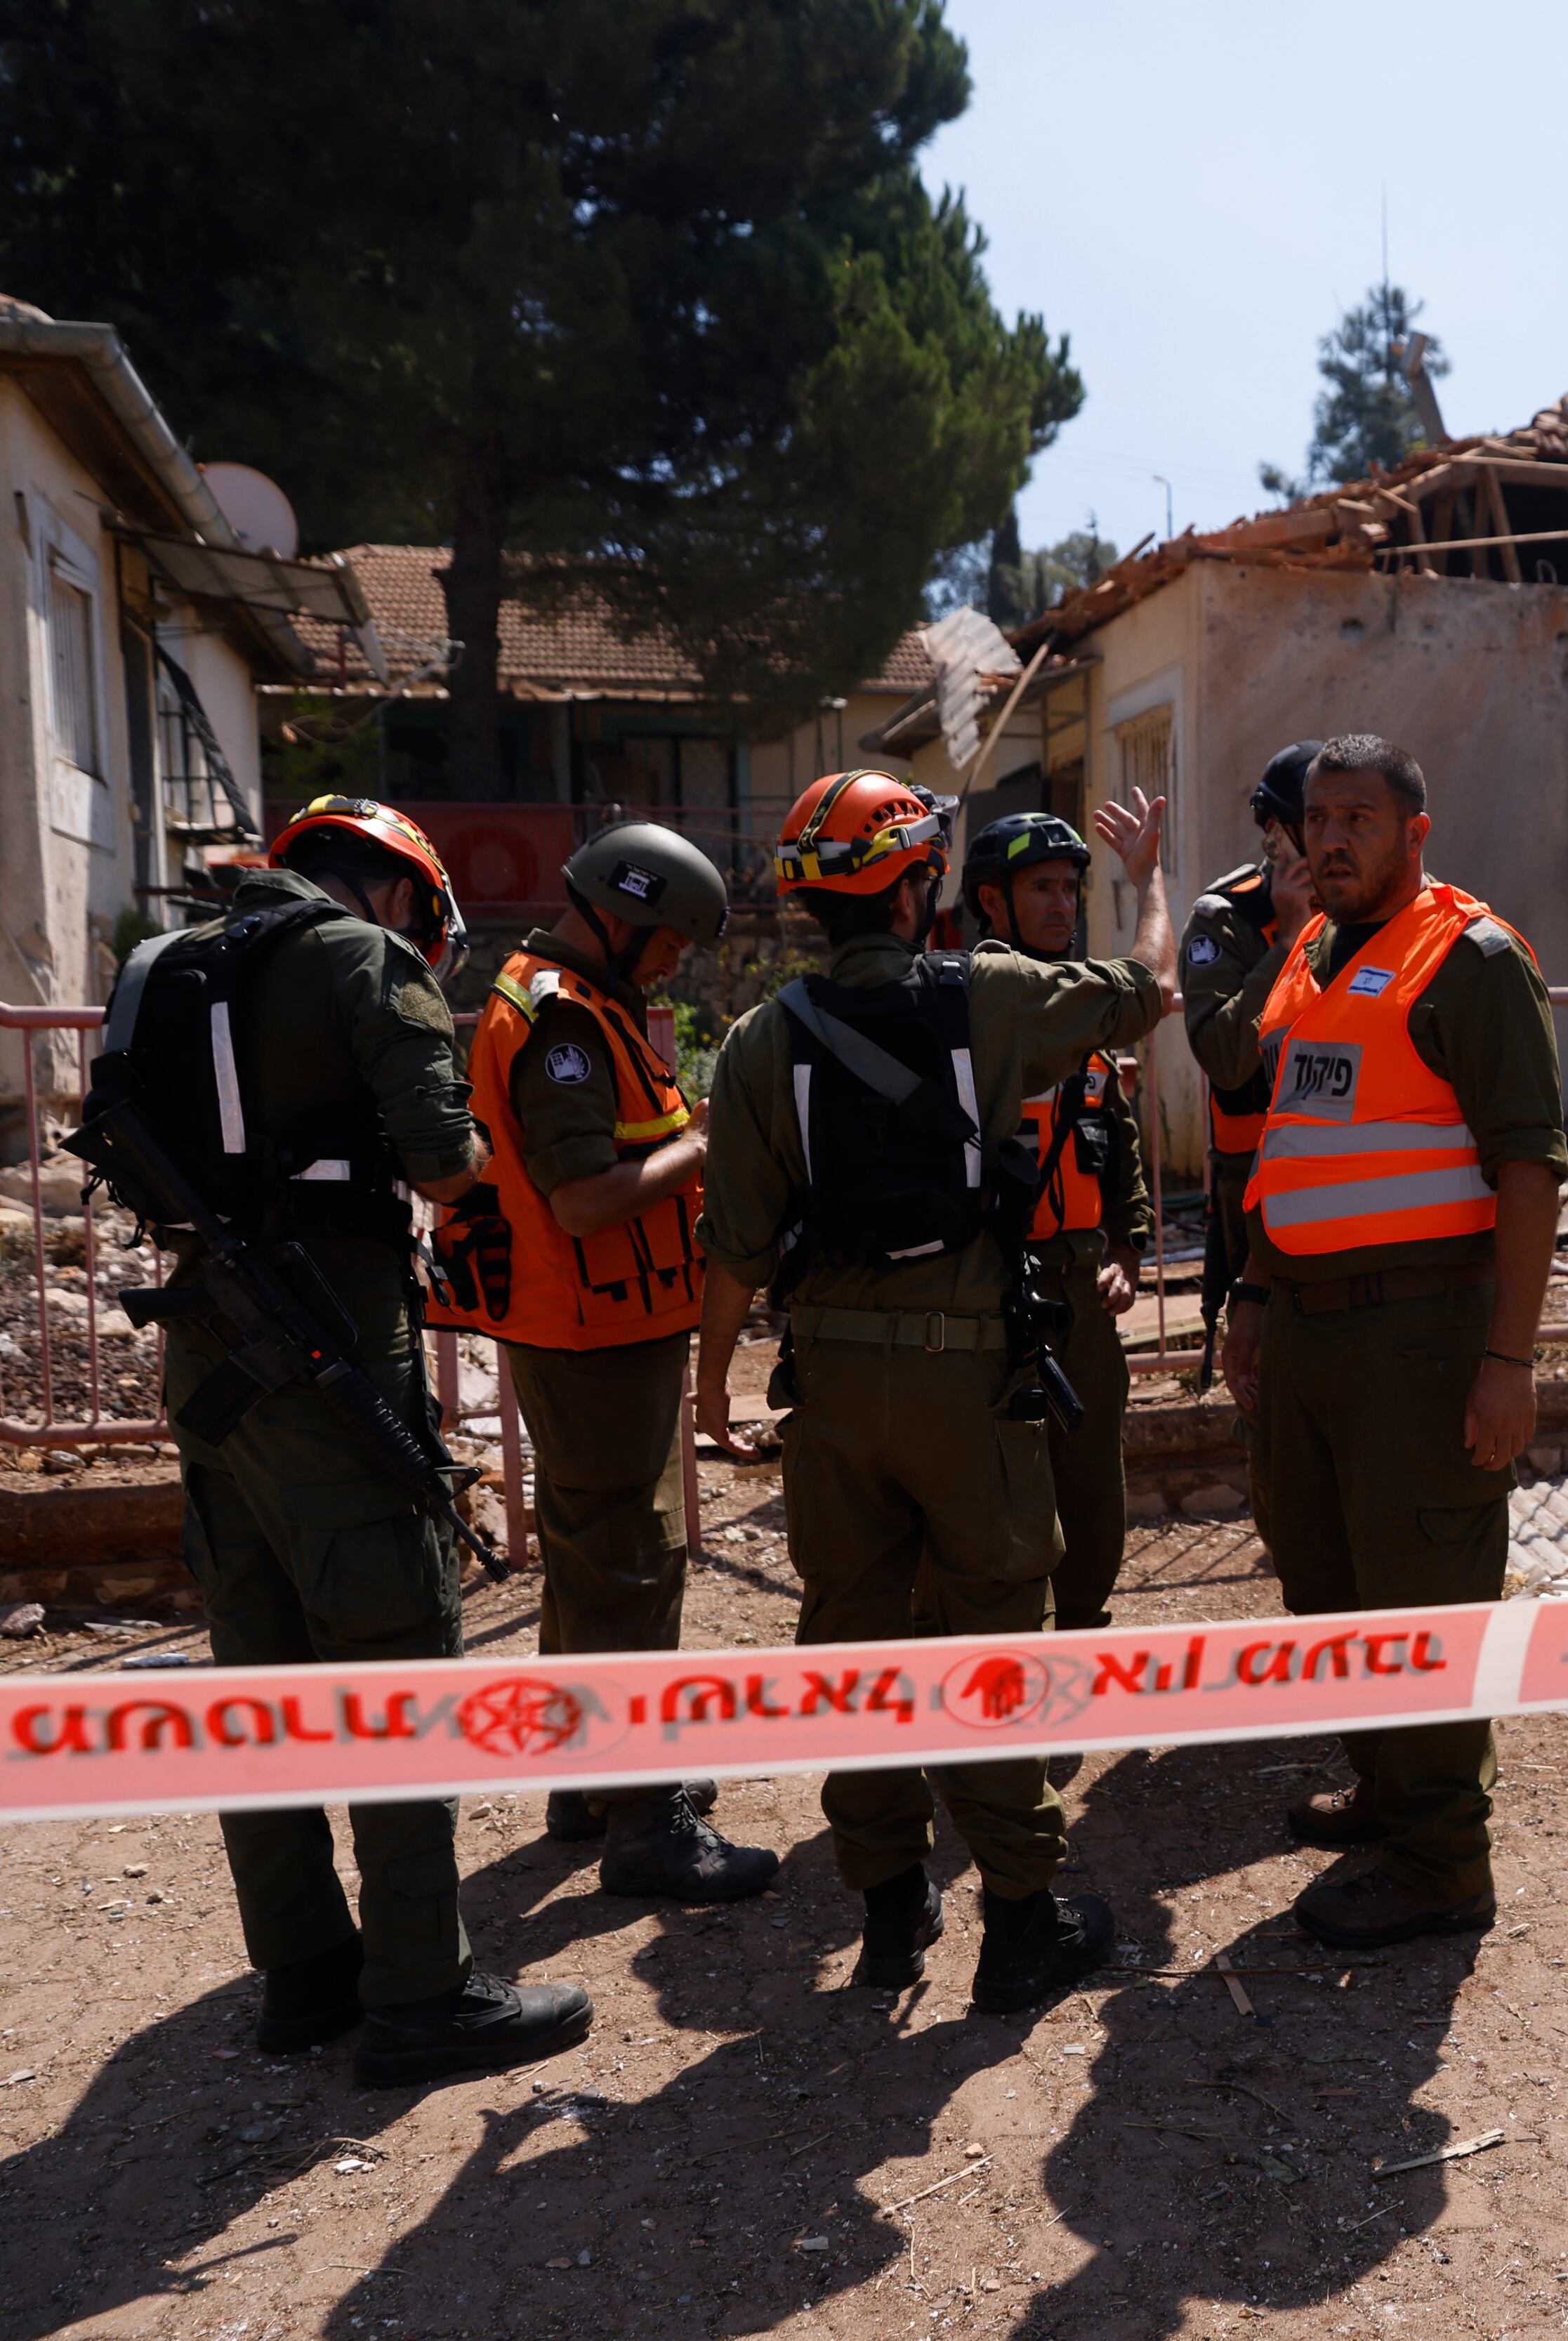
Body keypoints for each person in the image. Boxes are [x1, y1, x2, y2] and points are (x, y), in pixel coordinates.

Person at [691, 771, 1179, 2014]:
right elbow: (1150, 989)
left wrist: (708, 1398)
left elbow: (738, 1252)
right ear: (919, 887)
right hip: (968, 1377)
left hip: (833, 1389)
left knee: (849, 1642)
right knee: (995, 1632)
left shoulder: (759, 1041)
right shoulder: (992, 997)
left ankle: (888, 1909)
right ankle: (1020, 1919)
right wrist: (1154, 883)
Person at [136, 797, 595, 2085]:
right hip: (334, 1348)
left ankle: (303, 1972)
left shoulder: (170, 966)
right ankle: (422, 1988)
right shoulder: (359, 957)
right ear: (396, 890)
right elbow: (444, 1161)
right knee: (398, 1669)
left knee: (260, 1679)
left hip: (206, 1353)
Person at [1216, 734, 1565, 1950]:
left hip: (1422, 1336)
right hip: (1308, 1330)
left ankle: (1442, 1862)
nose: (1332, 838)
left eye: (1359, 816)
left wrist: (1508, 1362)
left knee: (1422, 1593)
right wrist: (1255, 1293)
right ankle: (1387, 1790)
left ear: (1414, 831)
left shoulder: (1469, 958)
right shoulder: (1310, 949)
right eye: (1318, 818)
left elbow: (1531, 1169)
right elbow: (1293, 1144)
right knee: (1327, 1583)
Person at [426, 822, 778, 1901]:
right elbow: (582, 1202)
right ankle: (645, 1823)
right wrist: (702, 1150)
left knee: (589, 1559)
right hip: (591, 1332)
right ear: (620, 916)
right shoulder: (564, 1023)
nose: (675, 961)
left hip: (596, 1327)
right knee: (632, 1559)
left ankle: (589, 1781)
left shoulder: (570, 1000)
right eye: (668, 940)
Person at [961, 812, 1149, 1632]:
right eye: (1042, 888)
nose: (1063, 905)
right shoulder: (972, 1007)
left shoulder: (1088, 1024)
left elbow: (1121, 1155)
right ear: (990, 903)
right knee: (1003, 1485)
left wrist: (1127, 1252)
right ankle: (1010, 1649)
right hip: (996, 1293)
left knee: (1091, 1486)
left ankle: (1080, 1627)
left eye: (1071, 888)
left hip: (1082, 1296)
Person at [1180, 742, 1320, 1365]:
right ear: (1274, 834)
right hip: (1254, 1194)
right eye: (1314, 824)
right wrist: (1289, 940)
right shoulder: (1225, 918)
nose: (1332, 841)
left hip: (1341, 1174)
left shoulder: (1363, 908)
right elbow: (1226, 1057)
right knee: (1268, 1375)